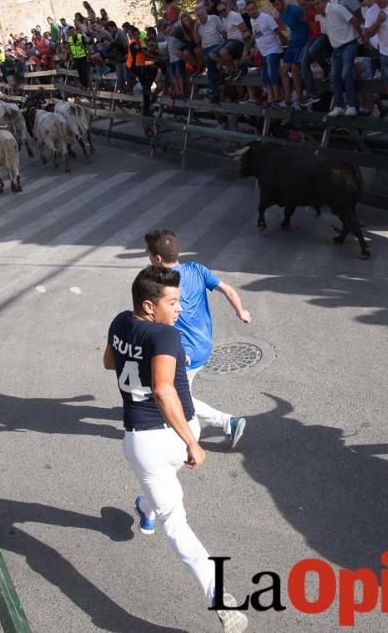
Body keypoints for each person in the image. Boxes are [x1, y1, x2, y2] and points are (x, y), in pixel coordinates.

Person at [103, 265, 248, 633]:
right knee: (177, 523)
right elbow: (164, 391)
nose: (179, 309)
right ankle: (220, 598)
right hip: (162, 439)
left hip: (144, 447)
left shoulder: (121, 321)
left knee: (159, 493)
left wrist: (146, 356)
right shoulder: (165, 336)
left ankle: (143, 505)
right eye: (172, 302)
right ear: (150, 306)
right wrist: (192, 443)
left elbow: (109, 361)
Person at [144, 230, 250, 447]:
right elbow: (228, 290)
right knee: (172, 391)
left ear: (157, 258)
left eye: (147, 252)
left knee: (179, 397)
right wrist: (242, 312)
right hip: (205, 344)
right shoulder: (197, 269)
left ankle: (228, 422)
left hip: (184, 353)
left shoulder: (159, 284)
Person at [313, 0, 362, 117]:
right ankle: (339, 106)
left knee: (346, 74)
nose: (317, 6)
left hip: (349, 44)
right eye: (315, 5)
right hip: (336, 49)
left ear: (325, 1)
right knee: (334, 76)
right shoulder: (321, 17)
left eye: (318, 3)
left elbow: (354, 20)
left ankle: (351, 105)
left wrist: (362, 37)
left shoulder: (337, 9)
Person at [272, 0, 312, 109]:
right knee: (283, 69)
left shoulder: (296, 10)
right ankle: (288, 100)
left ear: (283, 1)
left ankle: (299, 101)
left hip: (303, 41)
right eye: (274, 6)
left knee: (294, 69)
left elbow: (308, 22)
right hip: (293, 42)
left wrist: (309, 40)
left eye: (278, 4)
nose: (277, 8)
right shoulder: (281, 15)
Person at [246, 0, 288, 107]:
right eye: (249, 10)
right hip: (263, 51)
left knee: (271, 70)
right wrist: (254, 47)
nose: (252, 12)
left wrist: (285, 43)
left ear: (256, 8)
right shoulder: (252, 21)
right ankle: (270, 95)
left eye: (253, 9)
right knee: (263, 74)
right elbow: (257, 35)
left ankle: (277, 95)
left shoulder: (266, 17)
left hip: (274, 48)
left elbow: (277, 31)